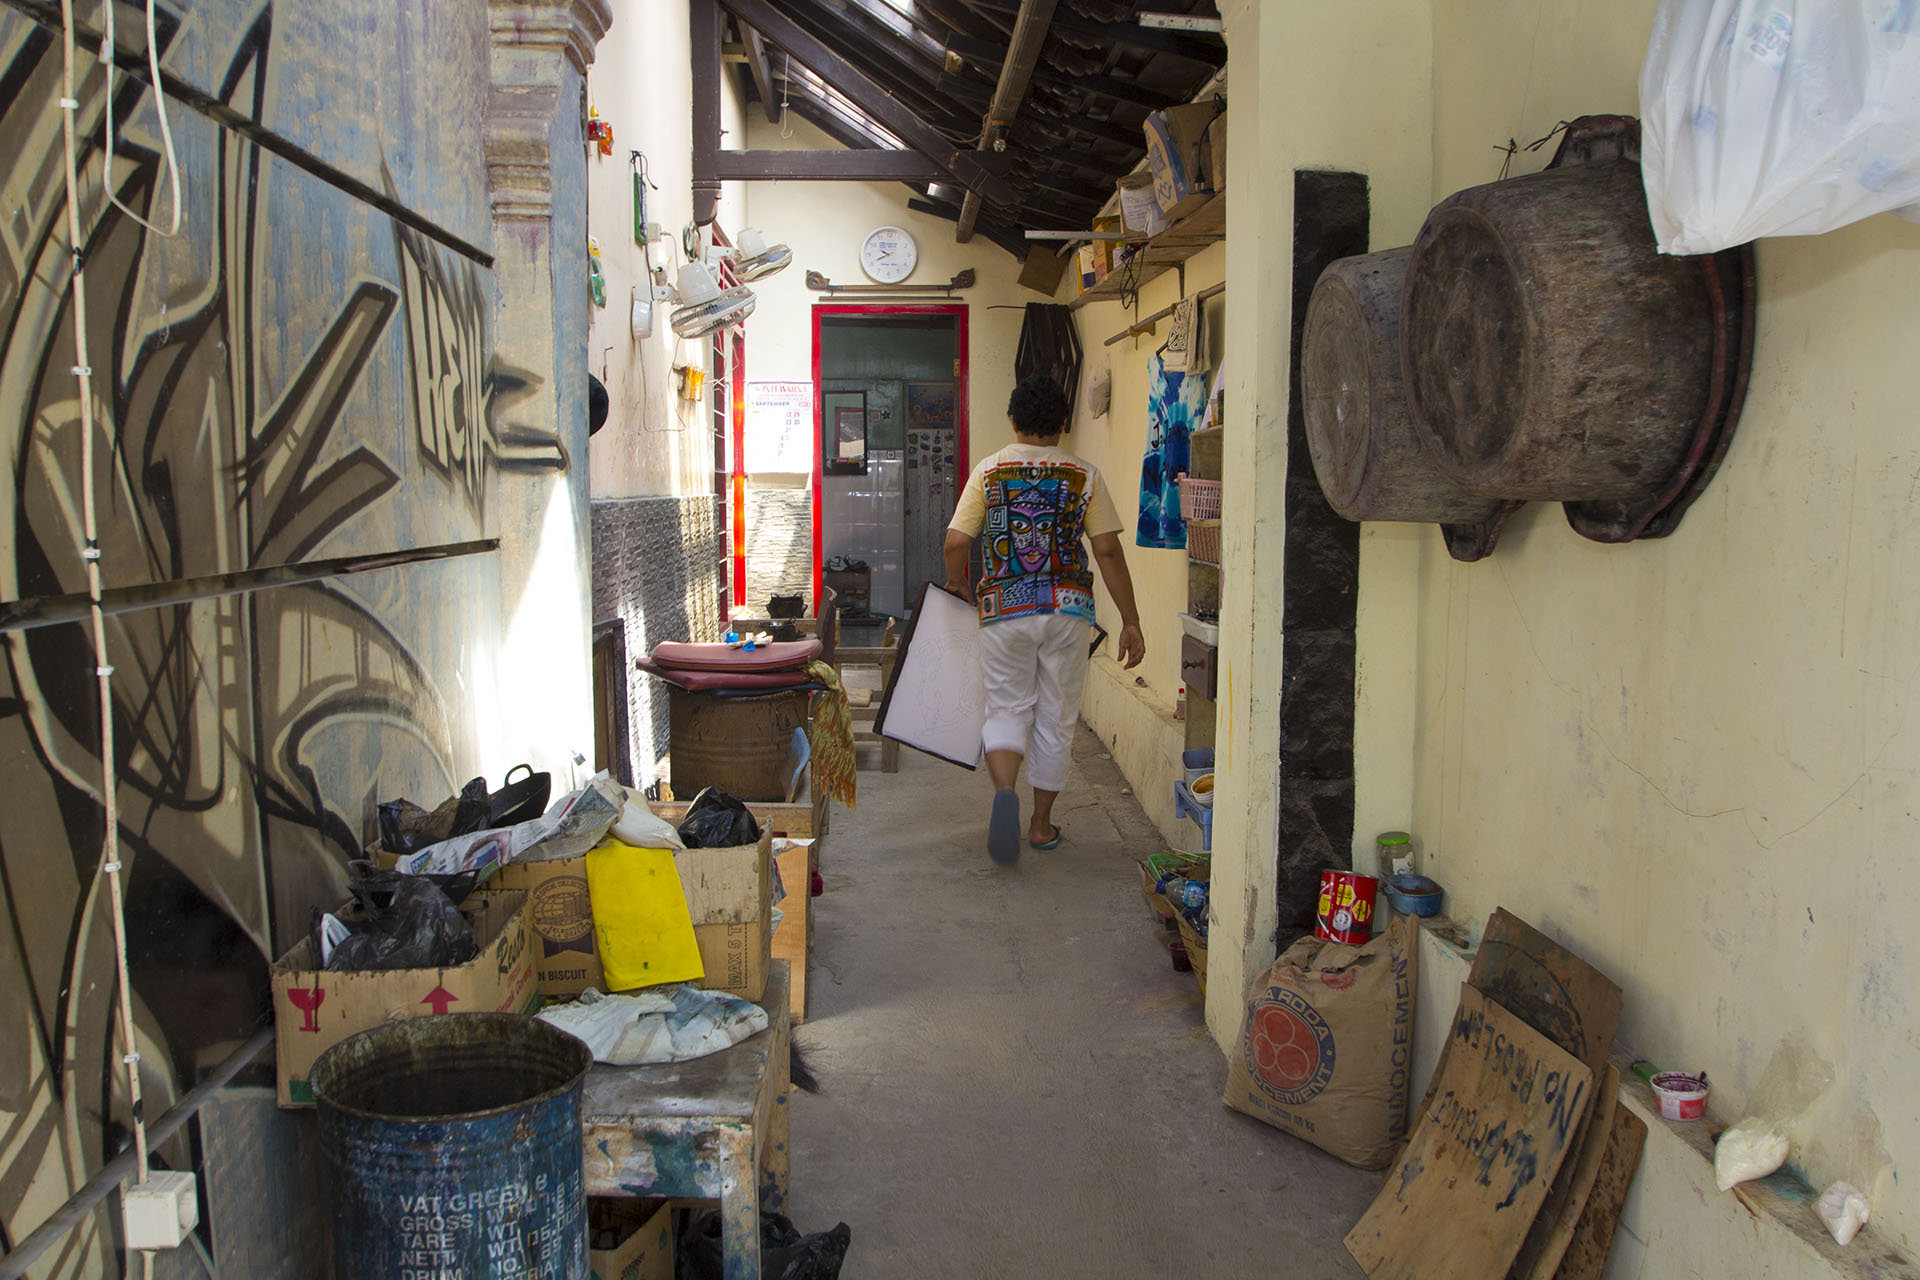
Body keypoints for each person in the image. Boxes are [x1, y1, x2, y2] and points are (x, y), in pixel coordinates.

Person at [944, 375, 1144, 865]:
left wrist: (959, 585)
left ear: (1012, 421)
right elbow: (1108, 549)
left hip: (1004, 611)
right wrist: (1131, 620)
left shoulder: (989, 472)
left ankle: (1005, 794)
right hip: (1067, 610)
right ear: (1062, 424)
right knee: (1056, 716)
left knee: (1007, 710)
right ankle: (1039, 826)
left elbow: (955, 542)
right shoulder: (1085, 475)